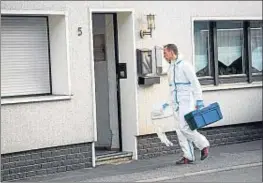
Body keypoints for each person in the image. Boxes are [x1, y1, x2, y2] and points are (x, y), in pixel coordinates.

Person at [163, 43, 210, 165]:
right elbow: (173, 88)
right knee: (179, 129)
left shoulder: (185, 65)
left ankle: (203, 145)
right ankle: (188, 156)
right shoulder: (171, 68)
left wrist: (199, 100)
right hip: (176, 103)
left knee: (185, 127)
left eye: (165, 53)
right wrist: (169, 103)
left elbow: (195, 83)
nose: (164, 56)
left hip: (186, 101)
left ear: (172, 52)